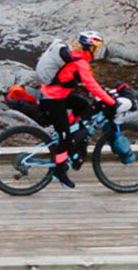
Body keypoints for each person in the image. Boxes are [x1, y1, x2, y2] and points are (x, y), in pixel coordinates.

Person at [35, 31, 114, 188]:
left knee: (83, 105)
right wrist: (111, 101)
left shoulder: (76, 56)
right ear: (89, 48)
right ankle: (59, 172)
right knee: (64, 138)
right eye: (96, 47)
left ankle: (68, 129)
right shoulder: (80, 62)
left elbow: (91, 82)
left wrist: (105, 93)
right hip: (52, 99)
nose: (98, 51)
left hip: (57, 94)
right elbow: (91, 85)